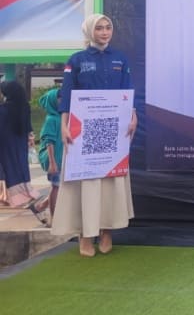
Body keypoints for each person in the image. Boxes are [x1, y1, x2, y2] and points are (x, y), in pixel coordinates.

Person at [51, 14, 137, 257]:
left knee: (110, 180)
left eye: (108, 27)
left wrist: (133, 116)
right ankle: (86, 235)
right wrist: (64, 125)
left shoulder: (120, 58)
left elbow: (127, 89)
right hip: (82, 129)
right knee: (86, 182)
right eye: (99, 28)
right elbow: (67, 93)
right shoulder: (77, 60)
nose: (104, 32)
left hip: (113, 128)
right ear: (89, 31)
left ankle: (106, 231)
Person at [0, 80, 38, 207]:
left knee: (6, 167)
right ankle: (24, 192)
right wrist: (30, 137)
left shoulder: (3, 109)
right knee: (20, 166)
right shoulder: (24, 107)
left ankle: (6, 195)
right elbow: (28, 126)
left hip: (5, 143)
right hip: (20, 141)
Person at [37, 88, 65, 220]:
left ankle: (40, 206)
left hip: (62, 159)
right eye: (59, 98)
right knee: (56, 187)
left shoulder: (62, 117)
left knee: (62, 187)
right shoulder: (51, 120)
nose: (62, 100)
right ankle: (53, 219)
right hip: (54, 160)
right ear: (53, 101)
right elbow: (49, 142)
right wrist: (52, 163)